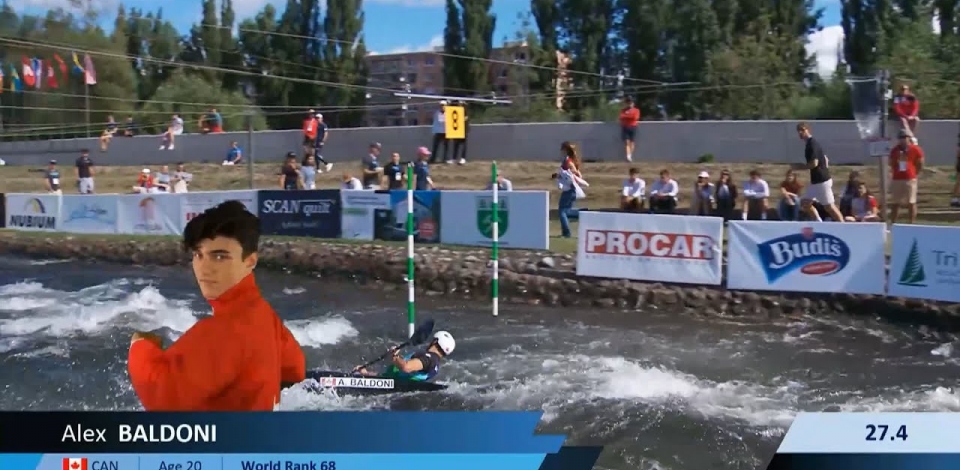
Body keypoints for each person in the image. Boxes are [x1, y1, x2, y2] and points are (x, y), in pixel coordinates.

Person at [127, 201, 306, 410]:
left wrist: (140, 346)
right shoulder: (264, 314)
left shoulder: (224, 330)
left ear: (250, 261)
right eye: (198, 255)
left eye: (220, 256)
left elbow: (162, 398)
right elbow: (295, 370)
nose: (204, 268)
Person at [354, 331, 455, 382]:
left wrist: (395, 356)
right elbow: (393, 377)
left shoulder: (428, 358)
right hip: (392, 385)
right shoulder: (434, 361)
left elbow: (406, 367)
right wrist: (367, 374)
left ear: (435, 341)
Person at [796, 122, 844, 222]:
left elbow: (814, 163)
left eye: (802, 130)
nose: (800, 132)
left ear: (808, 130)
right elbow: (825, 158)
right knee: (805, 203)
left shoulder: (811, 144)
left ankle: (843, 226)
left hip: (821, 181)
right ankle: (819, 223)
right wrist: (825, 169)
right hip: (817, 181)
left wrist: (800, 167)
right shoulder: (812, 143)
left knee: (829, 207)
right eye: (799, 131)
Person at [888, 129, 924, 224]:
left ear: (909, 138)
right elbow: (891, 163)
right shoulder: (895, 150)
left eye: (905, 137)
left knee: (911, 202)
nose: (903, 140)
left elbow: (920, 162)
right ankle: (893, 223)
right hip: (897, 178)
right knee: (895, 202)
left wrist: (915, 173)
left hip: (910, 178)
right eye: (901, 138)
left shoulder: (915, 149)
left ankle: (911, 223)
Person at [619, 97, 640, 162]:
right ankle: (628, 156)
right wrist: (629, 117)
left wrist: (627, 117)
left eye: (630, 102)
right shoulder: (623, 110)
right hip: (625, 127)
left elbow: (635, 117)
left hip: (633, 127)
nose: (629, 104)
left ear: (633, 103)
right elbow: (621, 117)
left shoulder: (636, 110)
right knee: (626, 142)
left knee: (632, 142)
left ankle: (630, 155)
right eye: (628, 102)